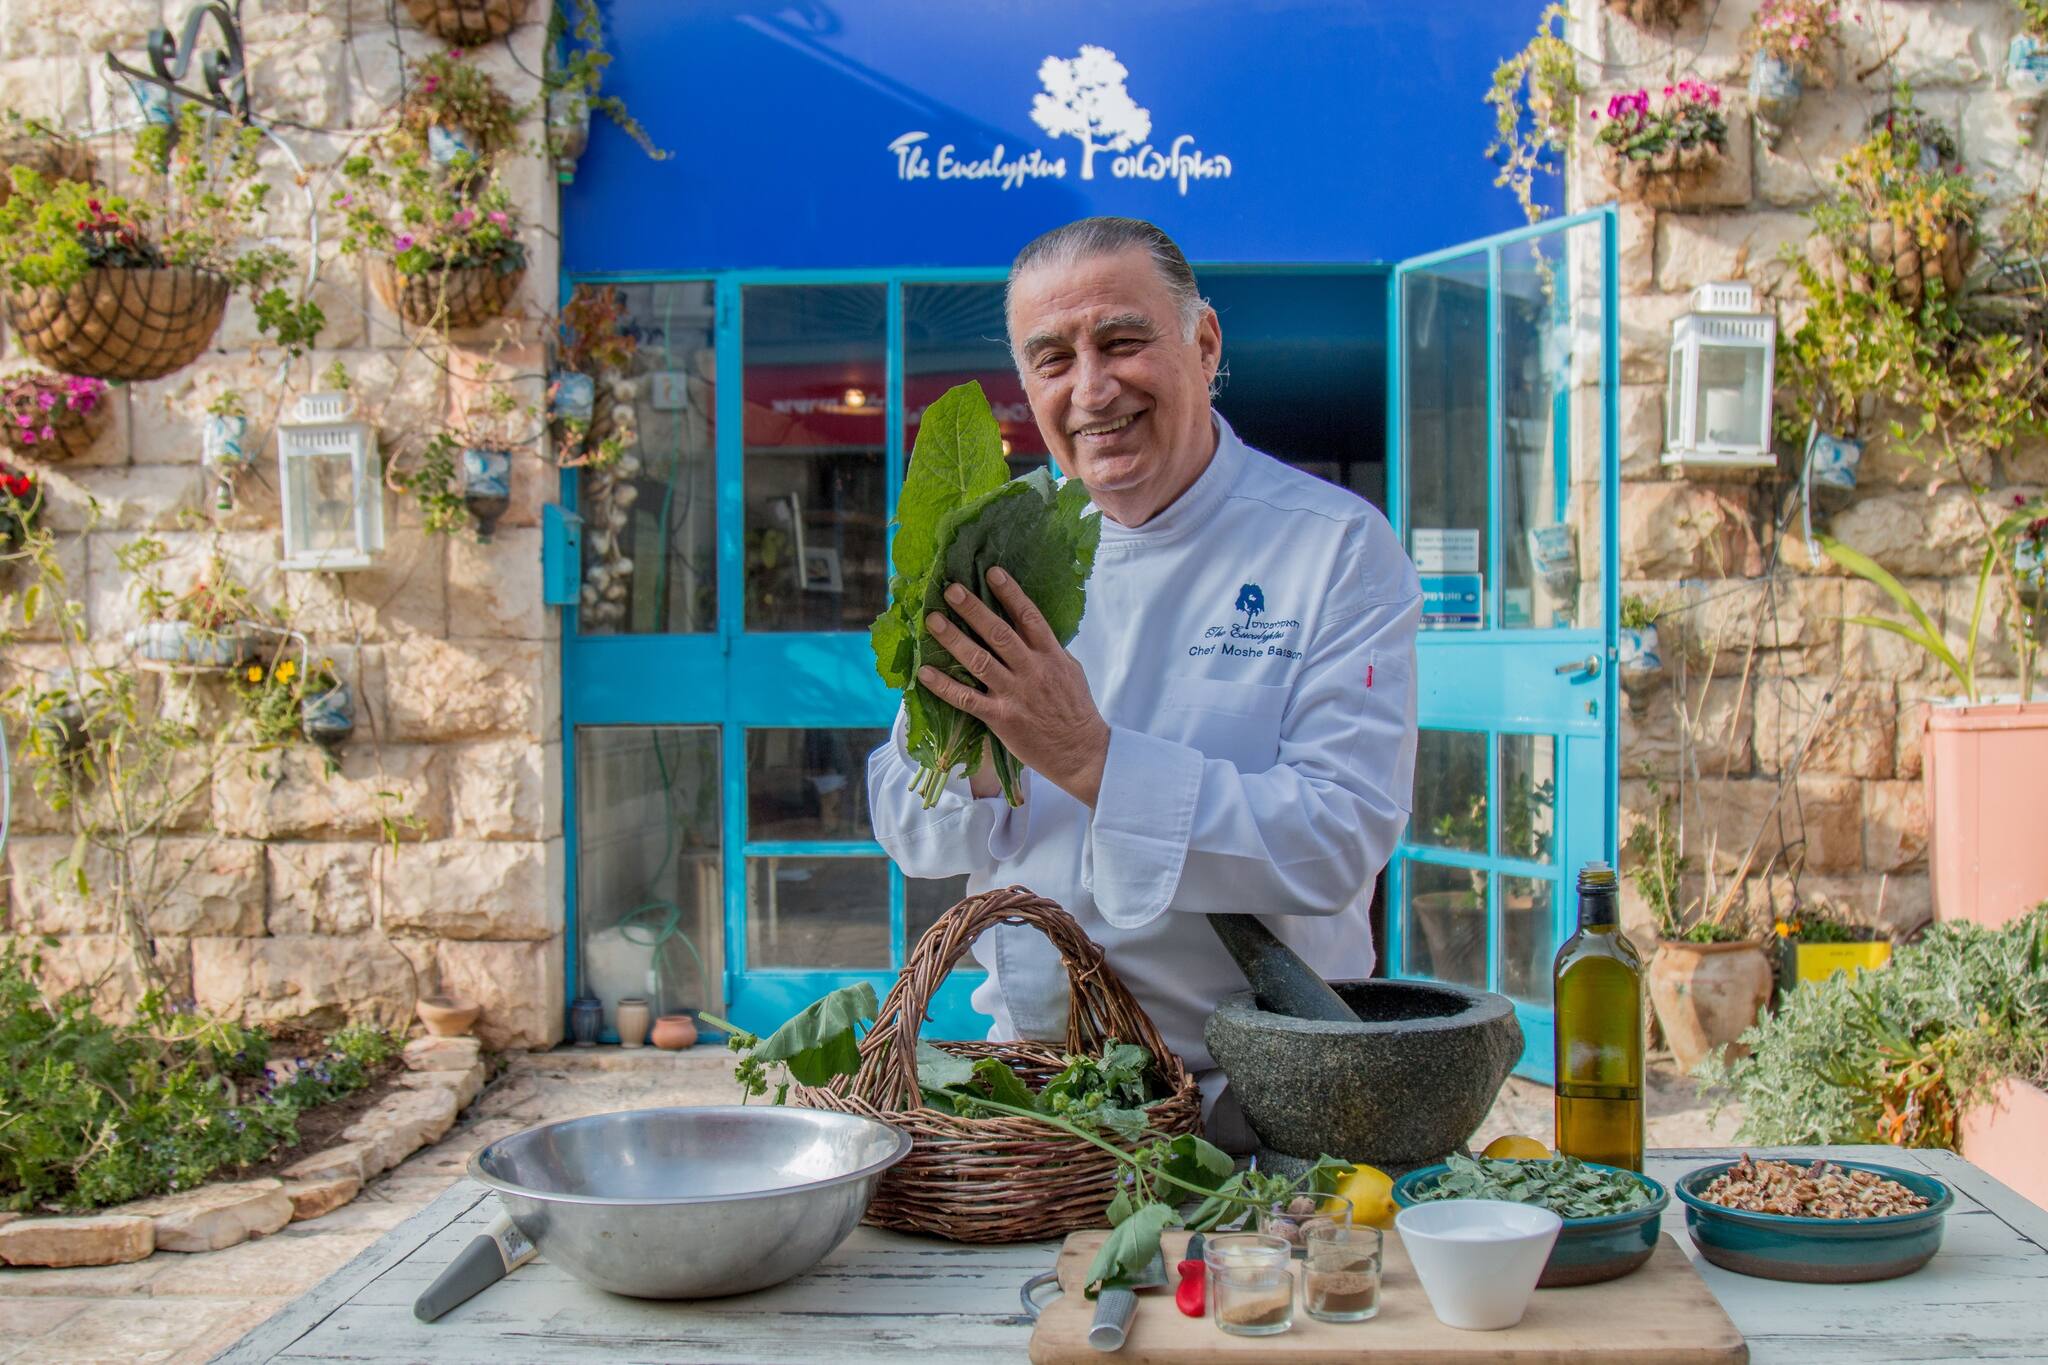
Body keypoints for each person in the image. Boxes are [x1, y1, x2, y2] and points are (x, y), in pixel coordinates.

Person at [865, 216, 1420, 1146]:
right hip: (1038, 1101)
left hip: (1261, 1108)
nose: (1092, 388)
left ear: (1203, 345)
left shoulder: (1334, 547)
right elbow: (906, 822)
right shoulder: (999, 539)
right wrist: (972, 756)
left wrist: (1089, 758)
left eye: (1122, 341)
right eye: (1052, 358)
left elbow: (1337, 839)